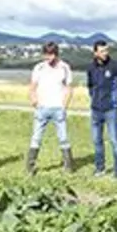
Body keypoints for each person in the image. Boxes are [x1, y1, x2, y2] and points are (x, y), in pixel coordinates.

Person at [86, 39, 117, 178]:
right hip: (95, 110)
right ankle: (99, 168)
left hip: (111, 109)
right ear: (95, 53)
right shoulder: (91, 68)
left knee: (114, 140)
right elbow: (90, 85)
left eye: (106, 50)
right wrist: (93, 98)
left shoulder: (116, 66)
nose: (105, 53)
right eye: (101, 51)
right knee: (97, 140)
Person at [26, 41, 74, 174]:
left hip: (58, 107)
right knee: (36, 137)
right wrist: (34, 101)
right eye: (46, 55)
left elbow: (69, 88)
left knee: (63, 137)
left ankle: (68, 165)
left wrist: (64, 105)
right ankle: (30, 166)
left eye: (51, 55)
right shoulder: (39, 68)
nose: (49, 58)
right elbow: (32, 87)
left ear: (56, 54)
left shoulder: (64, 67)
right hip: (42, 108)